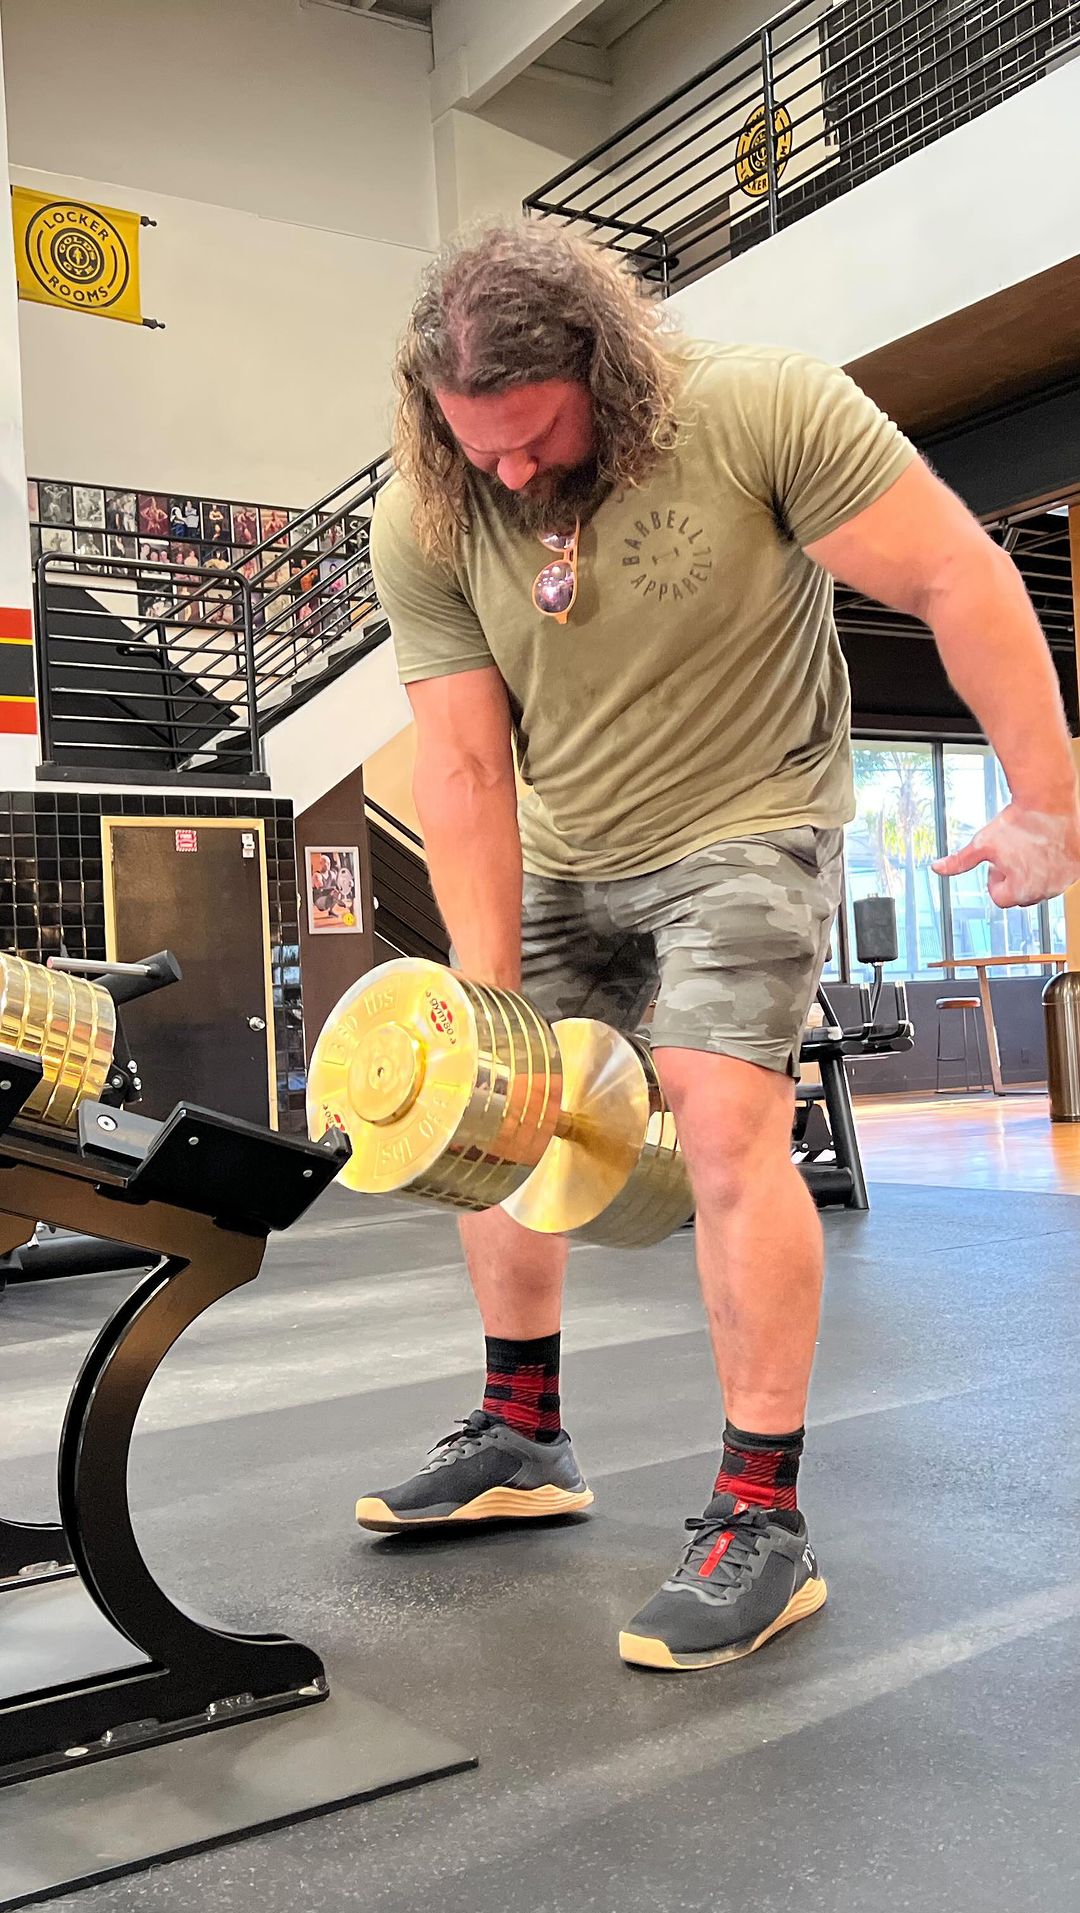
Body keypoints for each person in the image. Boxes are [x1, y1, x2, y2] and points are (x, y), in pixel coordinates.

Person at [364, 219, 1080, 1673]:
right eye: (478, 445)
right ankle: (522, 1432)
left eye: (535, 436)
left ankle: (762, 1512)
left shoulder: (760, 408)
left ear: (605, 369)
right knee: (487, 1109)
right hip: (564, 837)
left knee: (720, 1108)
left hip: (749, 818)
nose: (510, 471)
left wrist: (1049, 799)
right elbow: (465, 764)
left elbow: (956, 576)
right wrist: (492, 1012)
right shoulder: (430, 508)